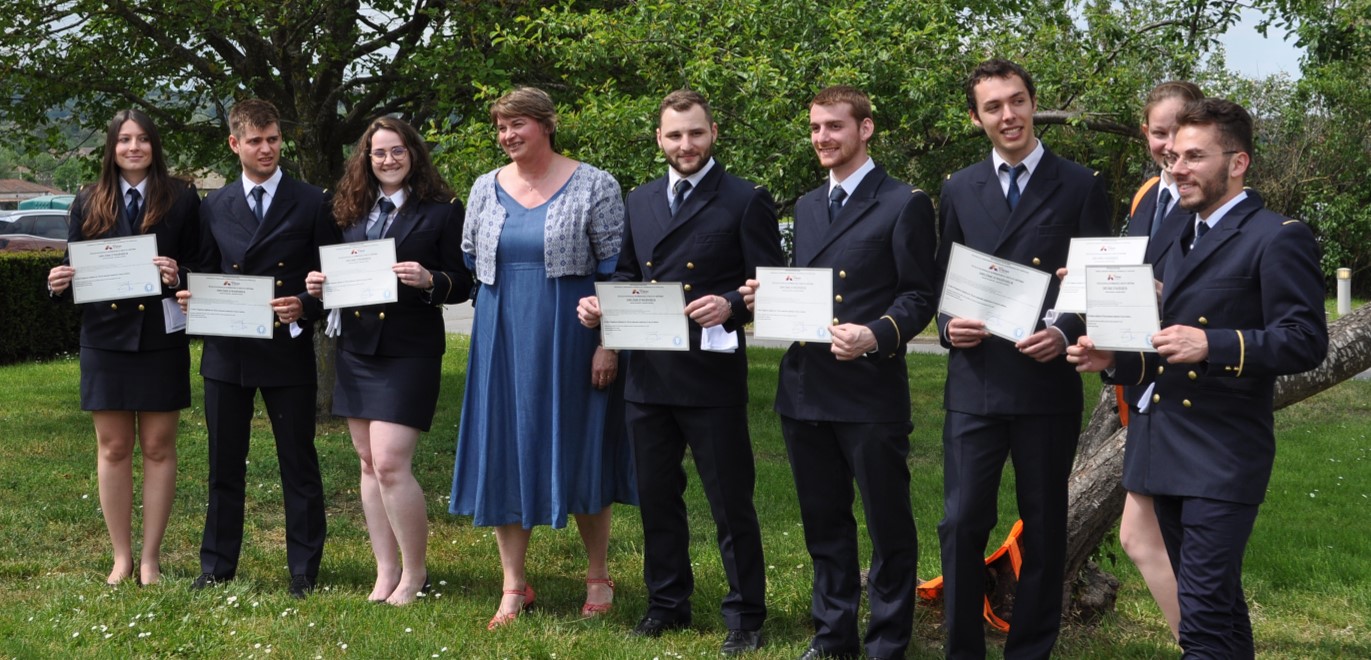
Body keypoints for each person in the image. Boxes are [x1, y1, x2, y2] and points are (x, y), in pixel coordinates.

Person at [1067, 98, 1327, 658]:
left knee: (1203, 619)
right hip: (1164, 445)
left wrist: (1216, 343)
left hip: (1222, 451)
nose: (1175, 166)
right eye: (1173, 154)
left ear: (1238, 163)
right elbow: (1164, 348)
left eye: (1194, 156)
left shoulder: (1277, 236)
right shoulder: (1174, 233)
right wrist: (1111, 359)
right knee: (1218, 607)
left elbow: (1306, 339)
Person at [577, 89, 783, 655]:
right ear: (659, 140)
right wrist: (602, 306)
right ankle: (666, 603)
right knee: (656, 495)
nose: (685, 144)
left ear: (713, 132)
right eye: (674, 135)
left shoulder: (745, 199)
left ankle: (745, 615)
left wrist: (733, 306)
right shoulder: (640, 199)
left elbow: (770, 283)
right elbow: (622, 273)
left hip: (710, 376)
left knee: (729, 501)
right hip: (647, 373)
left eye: (695, 133)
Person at [739, 85, 939, 659]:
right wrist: (767, 297)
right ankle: (832, 638)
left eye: (834, 126)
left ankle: (887, 642)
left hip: (870, 390)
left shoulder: (905, 202)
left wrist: (875, 334)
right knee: (824, 524)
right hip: (805, 388)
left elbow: (919, 294)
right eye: (816, 128)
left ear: (865, 129)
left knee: (888, 527)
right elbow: (808, 290)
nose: (823, 138)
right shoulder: (805, 204)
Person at [935, 59, 1110, 659]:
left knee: (1043, 526)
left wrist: (1065, 331)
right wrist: (946, 326)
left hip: (1044, 384)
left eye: (1016, 102)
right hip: (976, 382)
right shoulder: (958, 188)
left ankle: (1031, 650)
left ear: (1034, 103)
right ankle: (963, 649)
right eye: (993, 107)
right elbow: (944, 284)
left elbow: (1096, 284)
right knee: (960, 523)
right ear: (976, 117)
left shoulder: (1081, 184)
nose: (1007, 116)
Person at [448, 86, 636, 629]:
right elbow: (469, 258)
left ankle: (598, 575)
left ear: (547, 124)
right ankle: (513, 585)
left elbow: (615, 268)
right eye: (501, 127)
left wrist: (609, 342)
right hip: (501, 334)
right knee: (505, 446)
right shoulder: (485, 187)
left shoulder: (595, 183)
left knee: (582, 445)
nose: (508, 136)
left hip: (573, 334)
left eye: (518, 125)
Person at [305, 117, 471, 605]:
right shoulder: (347, 209)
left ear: (413, 153)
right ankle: (386, 570)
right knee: (368, 463)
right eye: (379, 153)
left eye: (398, 151)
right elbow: (331, 271)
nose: (389, 160)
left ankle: (415, 573)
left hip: (410, 349)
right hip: (357, 347)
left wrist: (429, 279)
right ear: (366, 158)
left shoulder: (443, 211)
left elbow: (463, 282)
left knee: (392, 462)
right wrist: (318, 287)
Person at [179, 98, 333, 598]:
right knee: (223, 465)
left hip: (286, 350)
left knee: (298, 463)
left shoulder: (313, 201)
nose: (266, 149)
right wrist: (188, 291)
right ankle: (217, 566)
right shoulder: (214, 205)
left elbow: (329, 282)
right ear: (234, 144)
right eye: (255, 141)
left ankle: (304, 570)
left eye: (273, 139)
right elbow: (202, 268)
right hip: (227, 352)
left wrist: (306, 307)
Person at [46, 109, 200, 587]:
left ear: (155, 145)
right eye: (123, 140)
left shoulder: (182, 197)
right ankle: (121, 557)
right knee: (113, 448)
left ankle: (150, 558)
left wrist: (181, 276)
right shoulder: (88, 199)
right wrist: (57, 283)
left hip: (159, 339)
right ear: (111, 148)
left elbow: (203, 266)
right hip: (106, 340)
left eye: (142, 139)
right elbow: (74, 273)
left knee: (158, 447)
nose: (133, 147)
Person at [1118, 80, 1205, 641]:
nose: (1168, 143)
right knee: (1143, 535)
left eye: (1179, 131)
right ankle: (1197, 641)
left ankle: (1202, 643)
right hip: (1145, 388)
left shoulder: (1208, 195)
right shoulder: (1149, 194)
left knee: (1173, 542)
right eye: (1157, 132)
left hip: (1193, 392)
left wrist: (1152, 292)